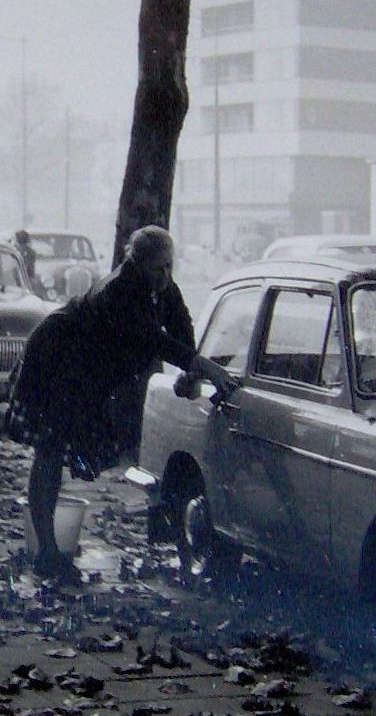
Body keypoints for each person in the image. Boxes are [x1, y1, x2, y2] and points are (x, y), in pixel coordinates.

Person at [3, 225, 238, 585]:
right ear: (137, 263)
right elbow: (153, 340)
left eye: (169, 266)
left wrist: (190, 373)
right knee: (49, 452)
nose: (166, 275)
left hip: (85, 369)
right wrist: (203, 366)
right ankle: (47, 552)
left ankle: (50, 550)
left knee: (58, 451)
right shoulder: (121, 290)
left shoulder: (160, 284)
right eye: (158, 268)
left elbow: (179, 323)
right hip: (57, 359)